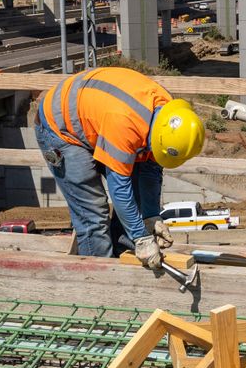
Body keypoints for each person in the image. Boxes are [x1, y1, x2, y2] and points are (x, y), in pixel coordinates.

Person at [32, 67, 205, 270]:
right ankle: (100, 281)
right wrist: (141, 237)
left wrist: (150, 217)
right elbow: (120, 189)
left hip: (97, 118)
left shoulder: (168, 115)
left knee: (137, 204)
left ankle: (123, 259)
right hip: (61, 129)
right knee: (93, 215)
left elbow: (151, 168)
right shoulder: (126, 126)